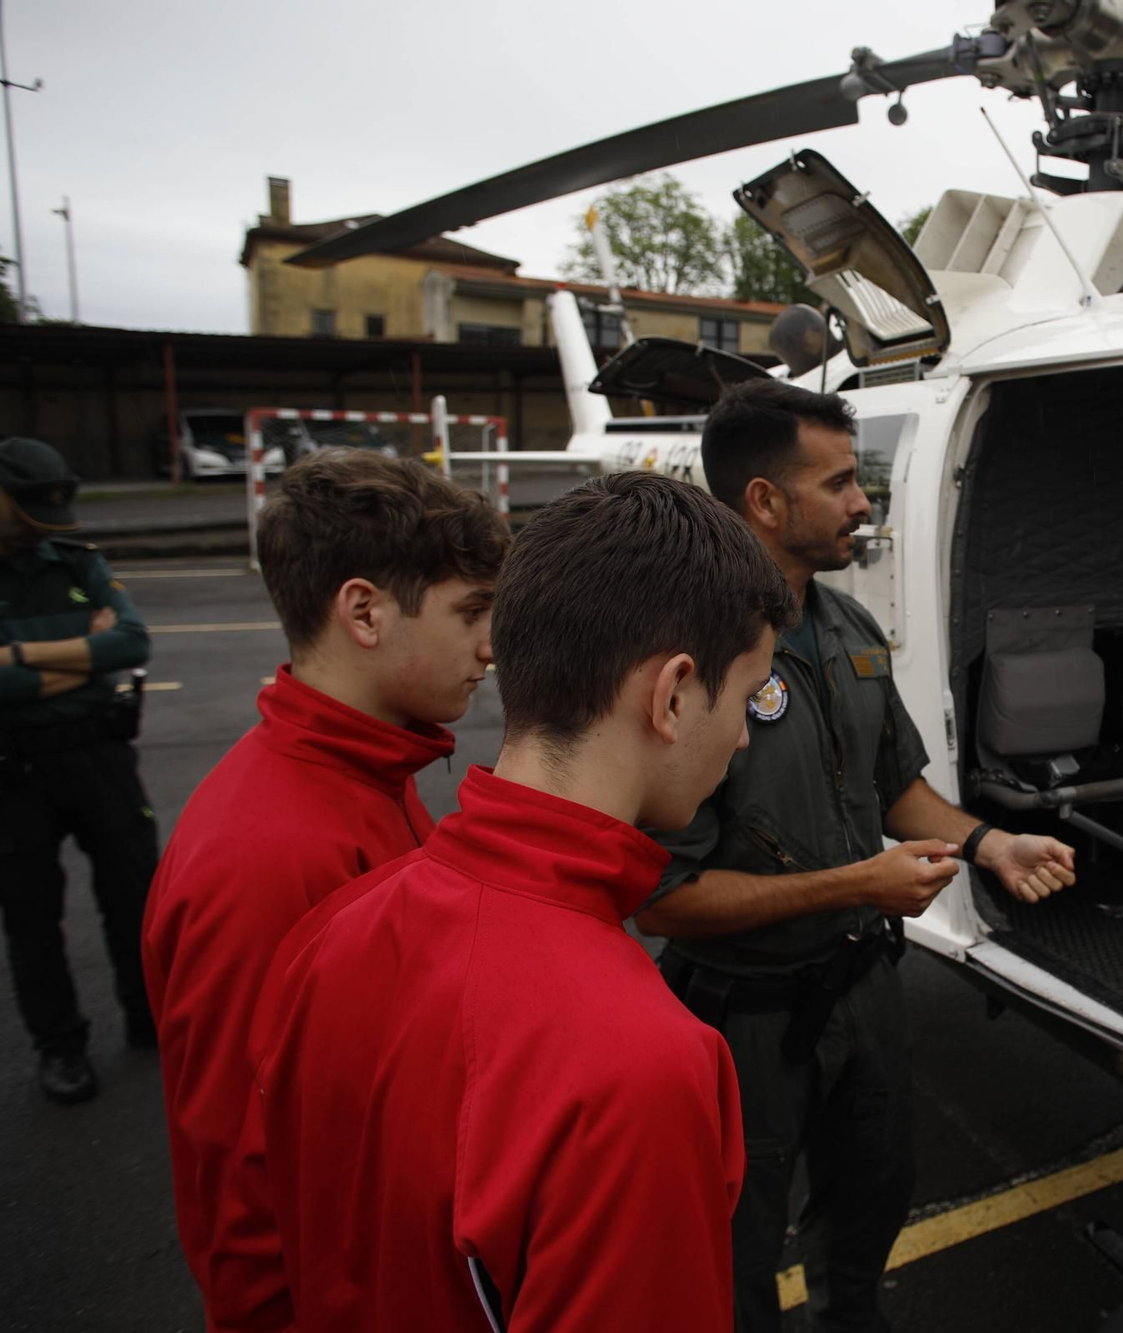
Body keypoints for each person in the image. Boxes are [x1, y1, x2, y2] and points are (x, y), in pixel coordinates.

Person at [238, 472, 795, 1331]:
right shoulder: (644, 1068)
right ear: (674, 694)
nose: (744, 732)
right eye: (749, 694)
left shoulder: (331, 928)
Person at [637, 379, 1077, 1333]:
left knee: (868, 1212)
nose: (864, 501)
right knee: (734, 1249)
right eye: (839, 482)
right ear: (763, 500)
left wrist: (990, 840)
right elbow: (663, 900)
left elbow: (895, 786)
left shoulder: (849, 629)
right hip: (740, 1015)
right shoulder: (687, 659)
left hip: (863, 994)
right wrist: (860, 883)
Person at [140, 450, 506, 1327]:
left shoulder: (369, 773)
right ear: (365, 611)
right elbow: (241, 1181)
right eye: (470, 613)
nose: (490, 646)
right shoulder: (268, 857)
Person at [0, 437, 156, 1104]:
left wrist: (14, 657)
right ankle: (60, 1046)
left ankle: (147, 1016)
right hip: (6, 770)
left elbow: (130, 642)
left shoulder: (73, 557)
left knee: (134, 892)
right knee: (30, 916)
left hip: (97, 753)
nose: (42, 525)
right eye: (27, 510)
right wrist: (82, 661)